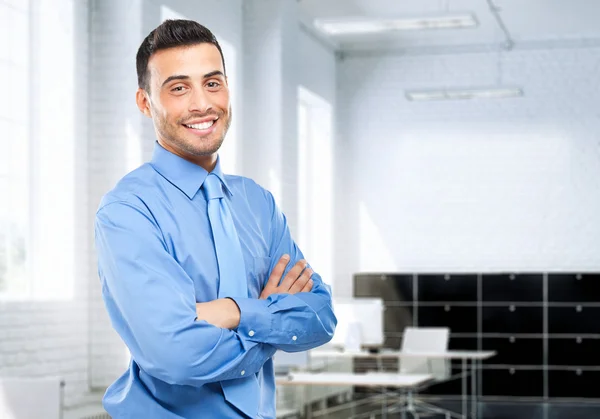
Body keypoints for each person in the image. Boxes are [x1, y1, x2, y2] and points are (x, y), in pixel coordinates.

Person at [94, 19, 337, 419]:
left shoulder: (258, 204)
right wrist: (270, 319)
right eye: (178, 88)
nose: (202, 104)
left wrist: (231, 311)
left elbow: (321, 317)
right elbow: (177, 356)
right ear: (144, 102)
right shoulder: (128, 212)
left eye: (212, 83)